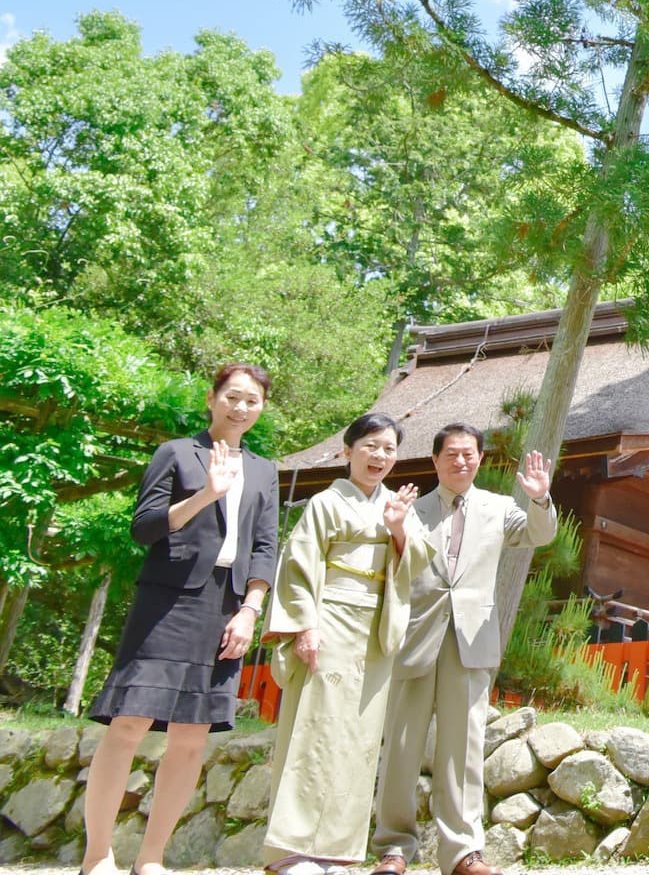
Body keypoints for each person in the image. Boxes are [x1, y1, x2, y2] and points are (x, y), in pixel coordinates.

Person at [80, 364, 280, 875]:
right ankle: (97, 854)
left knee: (191, 737)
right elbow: (144, 528)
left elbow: (264, 547)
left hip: (227, 609)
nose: (240, 408)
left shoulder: (264, 470)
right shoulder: (175, 453)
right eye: (232, 397)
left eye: (252, 400)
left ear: (261, 408)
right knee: (128, 724)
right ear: (211, 399)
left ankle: (151, 858)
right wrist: (207, 494)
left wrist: (250, 611)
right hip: (167, 603)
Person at [369, 424, 556, 875]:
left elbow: (540, 533)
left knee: (464, 747)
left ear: (479, 459)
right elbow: (393, 561)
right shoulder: (412, 508)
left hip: (471, 638)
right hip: (416, 636)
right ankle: (394, 847)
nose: (461, 462)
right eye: (451, 454)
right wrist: (396, 527)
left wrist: (540, 498)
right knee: (401, 744)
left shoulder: (498, 507)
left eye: (469, 454)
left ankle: (463, 851)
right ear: (435, 461)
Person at [261, 413, 429, 875]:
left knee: (357, 737)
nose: (380, 456)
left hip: (374, 630)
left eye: (389, 448)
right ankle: (291, 850)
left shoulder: (394, 506)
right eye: (371, 446)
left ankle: (335, 850)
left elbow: (418, 558)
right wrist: (305, 626)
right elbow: (298, 565)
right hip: (330, 618)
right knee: (314, 729)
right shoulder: (324, 503)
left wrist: (398, 527)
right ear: (348, 451)